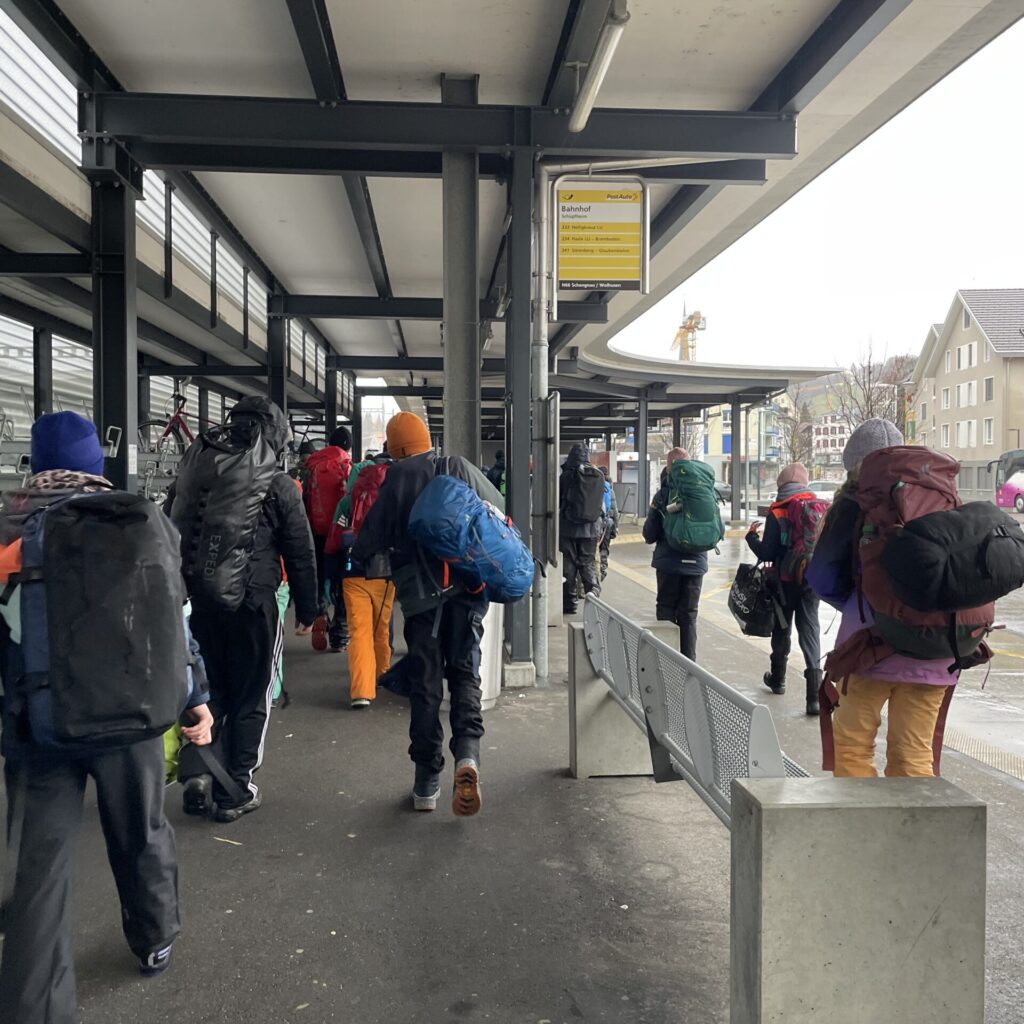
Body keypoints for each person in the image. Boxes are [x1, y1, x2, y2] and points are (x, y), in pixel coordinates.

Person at [0, 412, 214, 1022]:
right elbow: (172, 619)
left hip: (36, 721)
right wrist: (195, 695)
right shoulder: (138, 521)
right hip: (129, 713)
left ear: (36, 464)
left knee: (38, 869)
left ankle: (34, 1006)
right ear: (98, 463)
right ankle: (154, 939)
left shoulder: (9, 527)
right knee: (141, 832)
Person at [170, 396, 317, 822]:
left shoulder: (199, 472)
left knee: (208, 688)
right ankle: (236, 788)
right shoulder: (278, 483)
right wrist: (309, 608)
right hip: (254, 604)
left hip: (201, 601)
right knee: (253, 694)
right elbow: (300, 549)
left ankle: (199, 771)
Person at [353, 412, 501, 814]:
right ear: (426, 442)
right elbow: (498, 512)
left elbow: (367, 542)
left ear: (395, 448)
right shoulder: (457, 467)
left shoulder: (396, 480)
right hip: (467, 593)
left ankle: (426, 781)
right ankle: (468, 756)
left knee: (426, 686)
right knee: (466, 674)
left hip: (422, 603)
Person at [806, 418, 958, 777]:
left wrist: (863, 603)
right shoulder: (938, 493)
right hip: (935, 648)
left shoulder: (854, 502)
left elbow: (822, 576)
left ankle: (862, 817)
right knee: (914, 756)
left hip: (869, 648)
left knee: (853, 750)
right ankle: (909, 817)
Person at [745, 463, 823, 715]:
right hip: (812, 578)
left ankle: (778, 679)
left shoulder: (779, 510)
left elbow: (768, 552)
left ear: (781, 484)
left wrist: (751, 538)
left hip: (785, 579)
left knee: (782, 626)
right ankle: (814, 697)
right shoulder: (819, 508)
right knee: (810, 629)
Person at [333, 450, 395, 709]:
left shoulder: (348, 500)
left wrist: (331, 576)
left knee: (359, 632)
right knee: (381, 629)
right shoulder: (393, 496)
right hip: (384, 573)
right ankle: (382, 676)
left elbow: (335, 537)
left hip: (352, 573)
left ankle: (361, 691)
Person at [642, 447, 708, 660]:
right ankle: (690, 665)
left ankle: (666, 663)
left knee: (666, 610)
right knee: (689, 615)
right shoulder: (703, 489)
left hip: (669, 563)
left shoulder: (663, 494)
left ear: (669, 466)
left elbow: (650, 534)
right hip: (696, 563)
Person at [304, 426, 353, 652]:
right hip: (341, 535)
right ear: (347, 446)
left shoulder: (313, 466)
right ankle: (340, 633)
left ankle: (319, 614)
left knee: (319, 575)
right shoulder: (346, 465)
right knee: (342, 581)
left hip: (316, 532)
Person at [559, 443, 605, 614]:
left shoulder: (566, 476)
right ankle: (594, 602)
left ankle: (570, 604)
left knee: (569, 567)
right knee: (587, 564)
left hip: (568, 529)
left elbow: (558, 501)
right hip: (591, 529)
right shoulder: (597, 475)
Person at [598, 466, 619, 582]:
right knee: (604, 548)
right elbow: (614, 510)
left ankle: (594, 572)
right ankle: (602, 569)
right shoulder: (609, 488)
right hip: (607, 523)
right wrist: (616, 527)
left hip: (595, 523)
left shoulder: (594, 485)